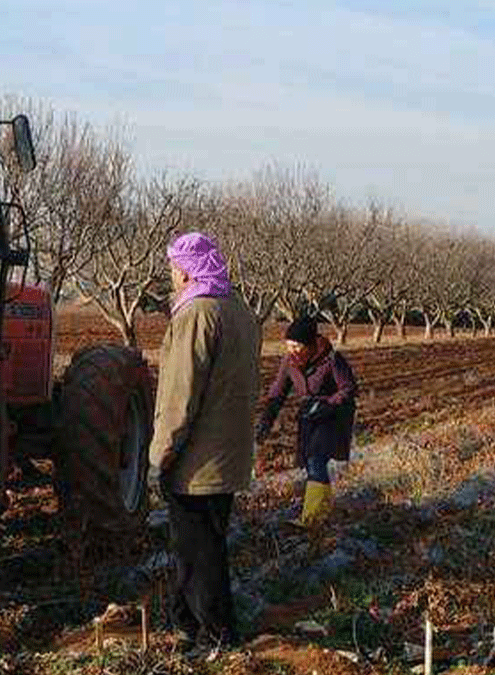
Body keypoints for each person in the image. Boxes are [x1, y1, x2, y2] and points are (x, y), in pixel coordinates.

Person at [149, 232, 260, 655]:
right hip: (229, 454)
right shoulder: (239, 311)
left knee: (199, 553)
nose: (172, 275)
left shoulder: (196, 314)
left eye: (174, 267)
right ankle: (188, 626)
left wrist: (159, 457)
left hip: (197, 462)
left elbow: (179, 397)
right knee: (204, 544)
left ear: (185, 269)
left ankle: (216, 635)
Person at [255, 315, 357, 532]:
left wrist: (328, 404)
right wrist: (265, 422)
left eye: (297, 345)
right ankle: (321, 510)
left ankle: (312, 519)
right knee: (311, 462)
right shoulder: (289, 362)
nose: (292, 350)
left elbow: (348, 389)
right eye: (288, 345)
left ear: (309, 344)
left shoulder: (332, 359)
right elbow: (277, 393)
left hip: (333, 416)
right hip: (309, 416)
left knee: (316, 460)